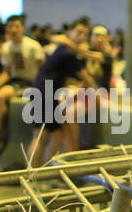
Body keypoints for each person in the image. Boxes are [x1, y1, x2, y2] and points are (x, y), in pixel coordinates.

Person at [28, 17, 95, 166]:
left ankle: (44, 172)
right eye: (79, 32)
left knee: (58, 135)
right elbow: (86, 77)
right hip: (45, 93)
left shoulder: (65, 50)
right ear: (70, 32)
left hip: (47, 93)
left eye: (85, 33)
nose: (82, 36)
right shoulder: (68, 53)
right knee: (41, 136)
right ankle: (32, 174)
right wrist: (99, 94)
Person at [0, 14, 46, 155]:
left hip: (33, 82)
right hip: (17, 82)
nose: (13, 29)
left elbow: (42, 70)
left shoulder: (33, 46)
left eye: (17, 26)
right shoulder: (7, 47)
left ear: (23, 28)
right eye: (10, 26)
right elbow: (7, 71)